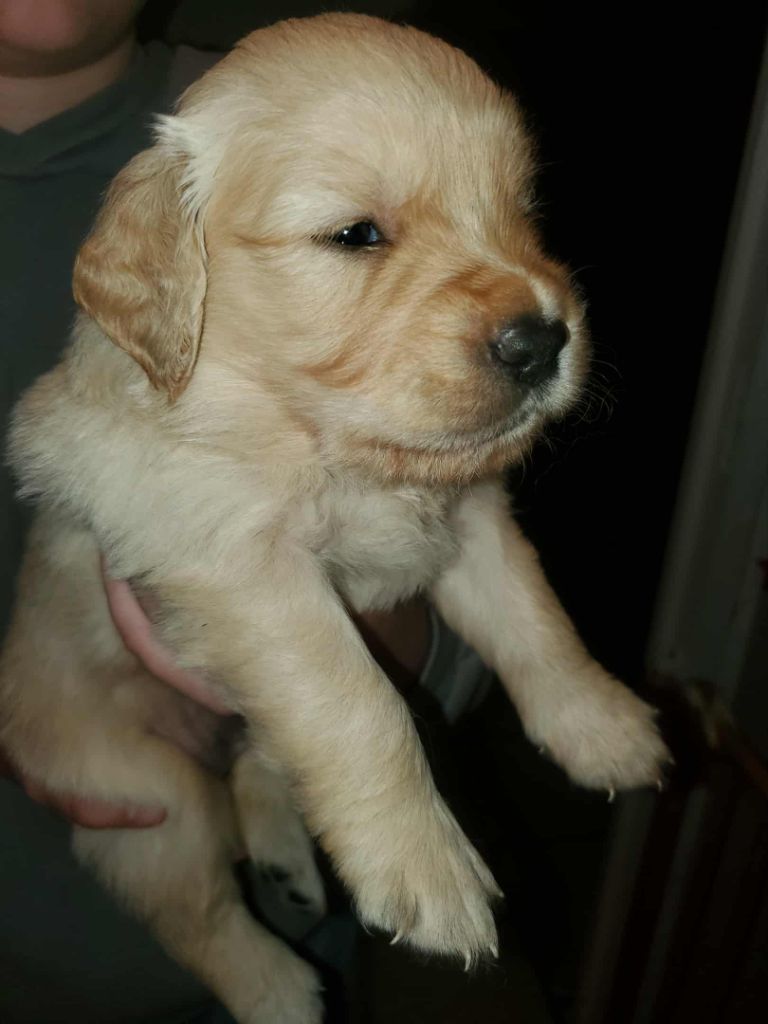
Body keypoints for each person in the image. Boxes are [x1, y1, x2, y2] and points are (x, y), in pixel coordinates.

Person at [0, 2, 492, 1021]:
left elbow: (463, 583)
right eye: (352, 233)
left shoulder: (337, 111)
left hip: (299, 899)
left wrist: (363, 623)